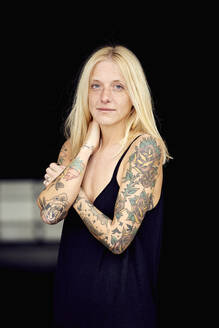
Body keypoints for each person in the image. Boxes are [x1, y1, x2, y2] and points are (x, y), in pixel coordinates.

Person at [37, 45, 171, 328]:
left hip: (123, 313)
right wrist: (85, 149)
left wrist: (75, 192)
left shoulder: (144, 149)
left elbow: (117, 239)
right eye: (95, 86)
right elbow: (49, 213)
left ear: (135, 94)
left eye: (118, 87)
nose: (105, 97)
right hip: (69, 305)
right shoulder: (72, 147)